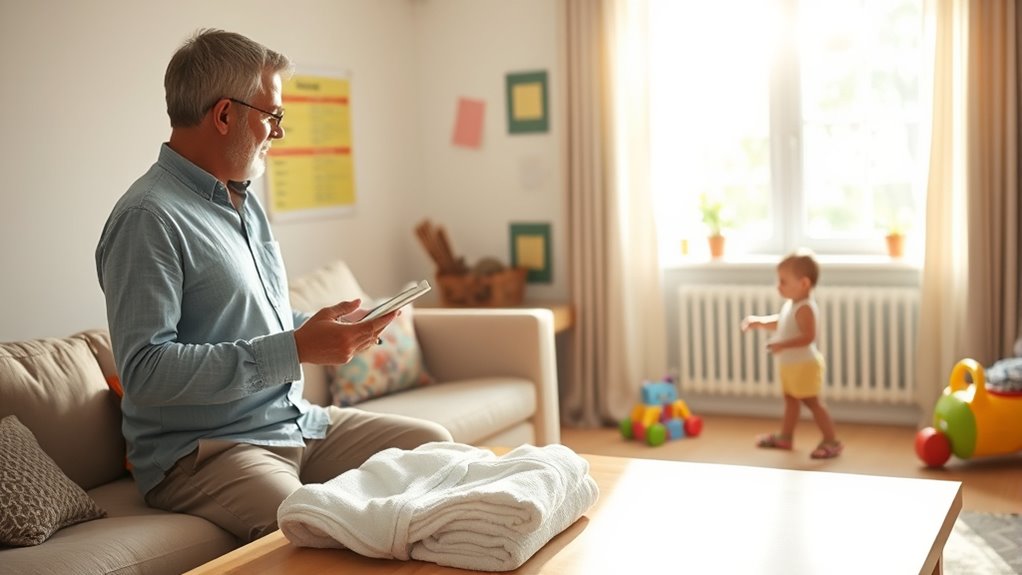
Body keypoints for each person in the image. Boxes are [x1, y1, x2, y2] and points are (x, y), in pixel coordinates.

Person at [95, 28, 453, 542]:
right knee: (313, 526)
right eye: (272, 115)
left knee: (432, 448)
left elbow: (252, 321)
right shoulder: (148, 218)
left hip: (293, 423)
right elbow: (146, 372)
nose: (278, 133)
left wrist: (323, 329)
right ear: (224, 115)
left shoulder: (243, 201)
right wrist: (296, 349)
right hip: (207, 451)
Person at [740, 249, 843, 459]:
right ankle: (785, 437)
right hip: (791, 366)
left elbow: (808, 337)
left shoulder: (806, 308)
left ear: (803, 283)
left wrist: (783, 345)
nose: (778, 286)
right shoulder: (792, 305)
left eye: (783, 281)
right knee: (791, 401)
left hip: (804, 366)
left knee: (812, 402)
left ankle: (831, 440)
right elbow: (782, 322)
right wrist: (759, 321)